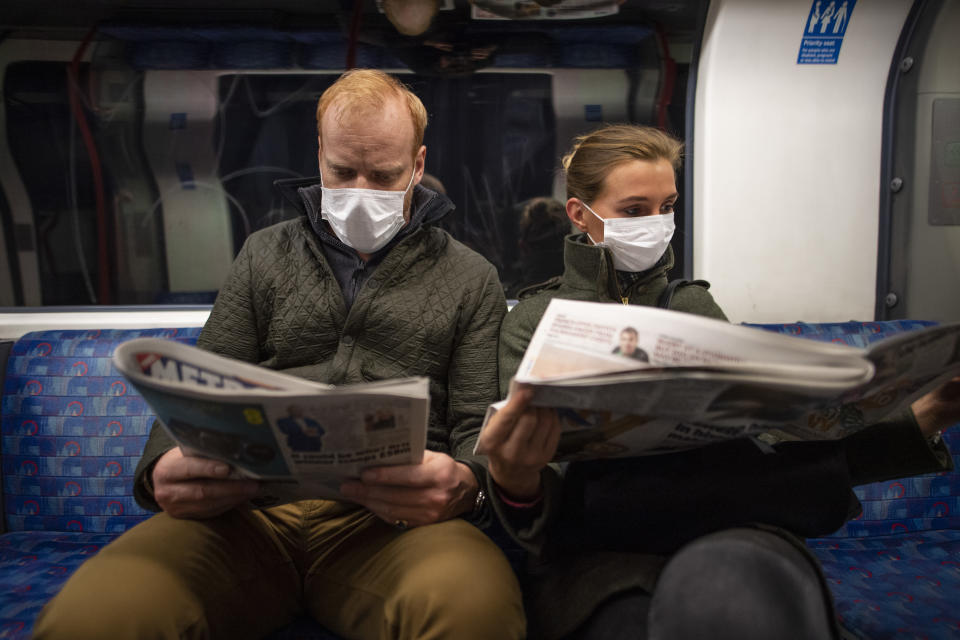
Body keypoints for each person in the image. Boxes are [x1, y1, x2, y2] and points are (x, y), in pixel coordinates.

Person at [34, 69, 525, 640]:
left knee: (474, 611)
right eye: (342, 171)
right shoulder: (263, 255)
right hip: (244, 520)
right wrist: (163, 469)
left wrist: (465, 480)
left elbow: (476, 427)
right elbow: (202, 387)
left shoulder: (470, 277)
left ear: (416, 166)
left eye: (384, 175)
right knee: (95, 615)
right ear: (318, 155)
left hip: (394, 528)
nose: (361, 190)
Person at [479, 124, 960, 640]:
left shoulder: (693, 305)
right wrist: (516, 473)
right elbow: (536, 483)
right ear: (580, 214)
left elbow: (773, 440)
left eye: (668, 207)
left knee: (740, 606)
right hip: (602, 546)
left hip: (727, 517)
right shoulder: (535, 321)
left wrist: (925, 412)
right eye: (635, 211)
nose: (658, 224)